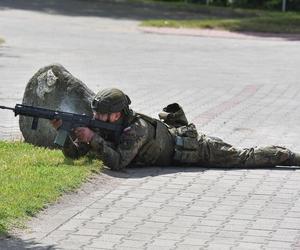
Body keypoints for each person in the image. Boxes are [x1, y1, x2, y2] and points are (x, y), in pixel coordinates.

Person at [51, 88, 300, 171]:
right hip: (176, 149)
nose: (95, 117)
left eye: (100, 113)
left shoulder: (136, 128)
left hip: (197, 148)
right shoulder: (109, 126)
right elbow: (75, 155)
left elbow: (117, 162)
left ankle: (289, 156)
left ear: (116, 114)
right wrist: (66, 133)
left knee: (242, 158)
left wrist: (92, 137)